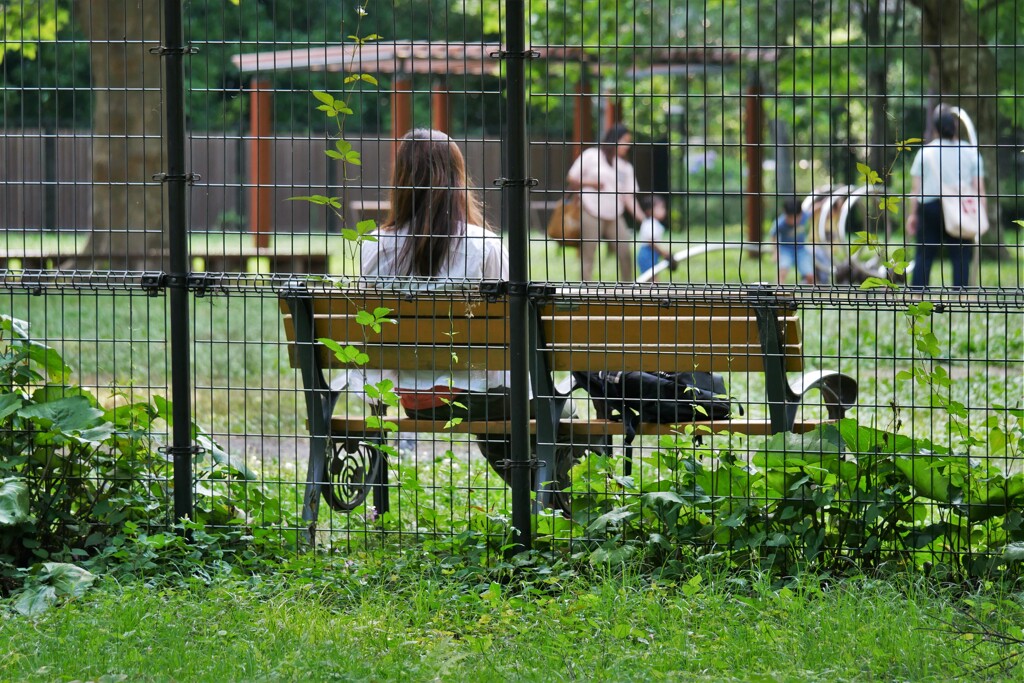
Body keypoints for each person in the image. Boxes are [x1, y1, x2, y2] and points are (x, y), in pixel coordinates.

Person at [360, 128, 516, 485]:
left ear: (400, 180)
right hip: (477, 395)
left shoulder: (373, 247)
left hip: (413, 397)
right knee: (560, 408)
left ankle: (551, 497)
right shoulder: (484, 246)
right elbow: (510, 326)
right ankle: (564, 501)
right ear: (457, 179)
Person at [905, 106, 986, 289]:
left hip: (929, 206)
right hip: (959, 206)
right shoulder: (971, 152)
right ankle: (960, 293)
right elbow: (979, 188)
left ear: (935, 128)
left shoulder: (925, 153)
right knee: (961, 254)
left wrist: (912, 215)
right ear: (956, 126)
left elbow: (915, 189)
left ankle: (918, 293)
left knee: (924, 253)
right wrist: (981, 213)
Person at [565, 124, 646, 281]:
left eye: (628, 142)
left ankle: (627, 289)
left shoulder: (625, 167)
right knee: (588, 253)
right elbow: (572, 177)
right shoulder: (592, 155)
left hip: (614, 214)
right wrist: (591, 183)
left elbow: (628, 197)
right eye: (624, 141)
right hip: (590, 210)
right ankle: (586, 289)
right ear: (614, 139)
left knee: (625, 252)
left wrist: (644, 219)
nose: (626, 146)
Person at [770, 197, 816, 284]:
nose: (793, 221)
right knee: (782, 272)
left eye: (796, 218)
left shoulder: (804, 216)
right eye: (790, 218)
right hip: (785, 250)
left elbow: (813, 209)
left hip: (801, 250)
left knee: (810, 276)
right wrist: (775, 252)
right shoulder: (781, 223)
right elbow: (773, 235)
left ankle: (810, 293)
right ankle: (778, 291)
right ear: (785, 214)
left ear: (801, 214)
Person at [635, 194, 674, 281]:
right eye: (661, 208)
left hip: (651, 254)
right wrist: (663, 253)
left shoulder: (652, 223)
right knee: (652, 279)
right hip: (647, 254)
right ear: (650, 210)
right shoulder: (651, 224)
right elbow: (651, 242)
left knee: (651, 278)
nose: (664, 210)